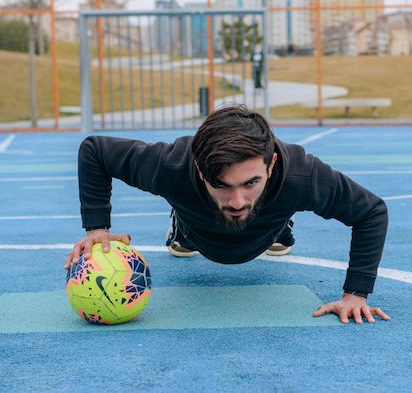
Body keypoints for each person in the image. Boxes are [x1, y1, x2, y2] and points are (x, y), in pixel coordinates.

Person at [65, 104, 390, 325]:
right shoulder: (170, 166)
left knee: (270, 215)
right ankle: (180, 226)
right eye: (222, 185)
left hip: (267, 226)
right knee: (194, 226)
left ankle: (281, 226)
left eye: (251, 182)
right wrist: (97, 229)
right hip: (197, 229)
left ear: (271, 164)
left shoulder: (302, 176)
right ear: (198, 167)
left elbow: (370, 212)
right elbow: (95, 150)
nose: (237, 200)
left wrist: (355, 294)